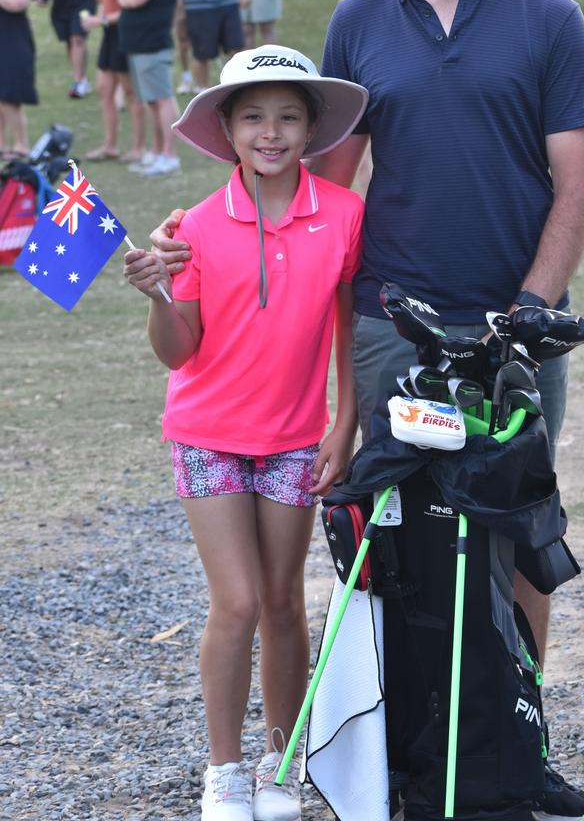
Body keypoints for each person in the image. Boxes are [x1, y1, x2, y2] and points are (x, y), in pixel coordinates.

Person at [151, 0, 584, 821]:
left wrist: (529, 310)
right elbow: (323, 196)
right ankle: (404, 758)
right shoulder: (360, 19)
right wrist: (210, 236)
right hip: (395, 325)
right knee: (389, 545)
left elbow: (575, 184)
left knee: (516, 536)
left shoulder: (548, 17)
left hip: (516, 330)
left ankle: (514, 753)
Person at [123, 44, 367, 821]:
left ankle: (279, 759)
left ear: (312, 128)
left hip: (298, 438)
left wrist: (346, 423)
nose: (272, 133)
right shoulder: (189, 226)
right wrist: (160, 295)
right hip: (207, 434)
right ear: (226, 129)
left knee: (284, 602)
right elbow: (179, 349)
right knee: (236, 600)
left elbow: (351, 326)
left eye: (289, 117)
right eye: (254, 116)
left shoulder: (344, 215)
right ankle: (224, 770)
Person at [108, 0, 181, 177]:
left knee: (161, 100)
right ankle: (157, 151)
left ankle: (169, 155)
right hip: (137, 44)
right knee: (150, 101)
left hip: (153, 43)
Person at [79, 0, 146, 164]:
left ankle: (139, 147)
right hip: (109, 34)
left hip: (124, 33)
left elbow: (126, 9)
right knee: (105, 90)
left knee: (131, 94)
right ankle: (110, 145)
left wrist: (100, 20)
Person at [0, 0, 37, 157]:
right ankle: (2, 145)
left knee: (10, 96)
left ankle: (22, 145)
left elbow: (17, 3)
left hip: (15, 42)